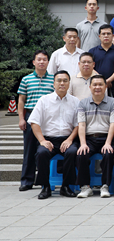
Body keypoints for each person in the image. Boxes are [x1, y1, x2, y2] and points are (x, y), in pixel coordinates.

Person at [28, 70, 79, 199]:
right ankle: (45, 187)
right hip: (48, 139)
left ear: (69, 83)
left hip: (67, 139)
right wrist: (42, 141)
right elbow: (34, 122)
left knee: (72, 152)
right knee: (41, 153)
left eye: (65, 81)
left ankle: (66, 187)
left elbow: (79, 124)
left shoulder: (75, 101)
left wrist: (70, 139)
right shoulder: (44, 100)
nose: (62, 83)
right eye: (59, 80)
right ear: (54, 83)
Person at [75, 75, 114, 198]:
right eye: (95, 84)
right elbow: (81, 124)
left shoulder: (113, 102)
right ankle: (85, 187)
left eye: (100, 84)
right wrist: (83, 143)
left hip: (107, 138)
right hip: (89, 138)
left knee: (108, 154)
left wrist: (108, 143)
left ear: (105, 87)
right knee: (81, 154)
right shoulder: (83, 103)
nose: (97, 87)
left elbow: (113, 124)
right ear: (90, 87)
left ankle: (105, 186)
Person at [17, 50, 54, 192]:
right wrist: (21, 119)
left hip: (48, 118)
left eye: (44, 59)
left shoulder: (53, 79)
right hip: (30, 116)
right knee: (29, 149)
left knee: (46, 148)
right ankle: (27, 181)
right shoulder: (26, 79)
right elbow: (21, 100)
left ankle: (45, 180)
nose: (41, 62)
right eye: (39, 59)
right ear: (34, 62)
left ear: (48, 62)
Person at [89, 24, 114, 100]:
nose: (106, 36)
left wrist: (109, 80)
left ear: (113, 36)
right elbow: (90, 68)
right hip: (96, 86)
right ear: (99, 36)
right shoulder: (92, 51)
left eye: (108, 34)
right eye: (103, 34)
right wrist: (101, 81)